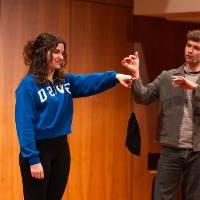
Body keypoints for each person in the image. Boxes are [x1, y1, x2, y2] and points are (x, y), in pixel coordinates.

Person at [15, 32, 133, 200]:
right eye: (56, 52)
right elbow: (24, 126)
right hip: (39, 151)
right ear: (42, 53)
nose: (61, 56)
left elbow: (88, 82)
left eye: (62, 52)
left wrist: (114, 77)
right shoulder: (27, 87)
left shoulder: (65, 81)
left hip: (61, 149)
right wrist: (33, 160)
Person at [122, 29, 200, 200]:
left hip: (198, 152)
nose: (190, 50)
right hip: (171, 150)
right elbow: (143, 96)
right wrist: (135, 74)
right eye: (188, 45)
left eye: (196, 47)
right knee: (162, 197)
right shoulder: (168, 77)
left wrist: (194, 87)